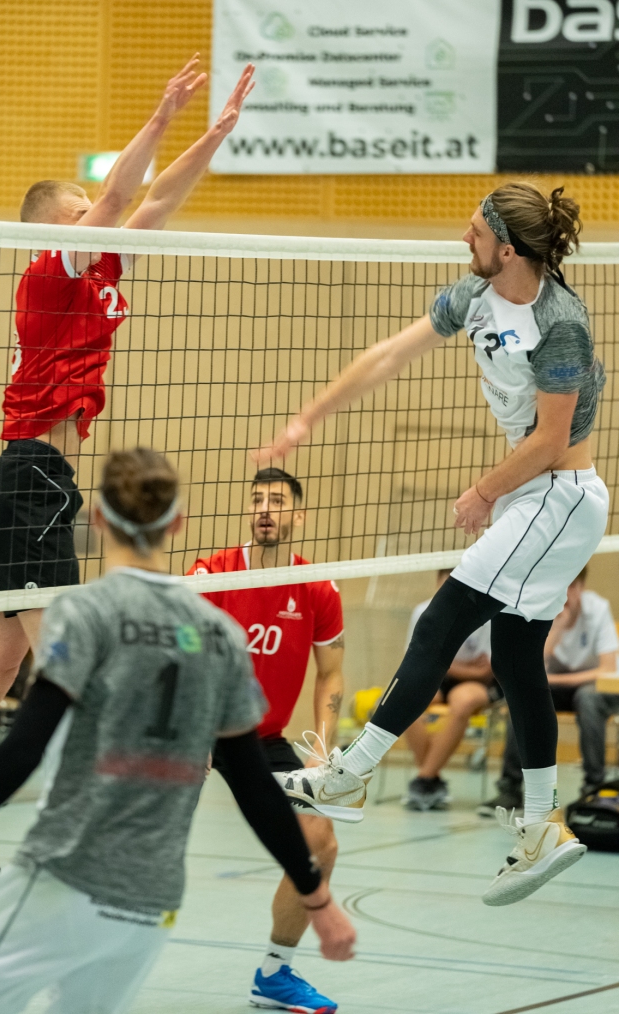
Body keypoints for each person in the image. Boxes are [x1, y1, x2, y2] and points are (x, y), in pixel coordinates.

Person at [0, 450, 356, 1014]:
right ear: (178, 524)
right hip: (148, 905)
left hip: (62, 874)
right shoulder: (221, 635)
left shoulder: (85, 614)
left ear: (100, 520)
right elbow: (257, 790)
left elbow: (24, 748)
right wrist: (318, 898)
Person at [0, 59, 256, 907]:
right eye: (80, 212)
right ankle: (92, 833)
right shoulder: (52, 267)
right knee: (72, 663)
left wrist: (213, 136)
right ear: (52, 228)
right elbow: (118, 199)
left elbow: (156, 202)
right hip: (32, 477)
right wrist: (162, 115)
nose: (97, 218)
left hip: (33, 478)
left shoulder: (102, 268)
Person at [254, 181, 609, 907]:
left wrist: (482, 492)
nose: (463, 237)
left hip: (559, 495)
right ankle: (543, 824)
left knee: (442, 622)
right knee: (516, 658)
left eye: (476, 230)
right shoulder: (474, 296)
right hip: (535, 497)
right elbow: (389, 355)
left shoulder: (560, 323)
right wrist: (308, 417)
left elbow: (551, 439)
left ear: (507, 249)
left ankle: (352, 772)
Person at [189, 466, 345, 1014]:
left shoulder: (318, 587)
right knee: (141, 842)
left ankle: (275, 973)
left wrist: (321, 753)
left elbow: (331, 674)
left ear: (298, 515)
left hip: (261, 736)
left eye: (276, 501)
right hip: (196, 727)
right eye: (257, 499)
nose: (264, 509)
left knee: (319, 841)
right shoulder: (212, 573)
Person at [479, 566, 619, 815]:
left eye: (572, 586)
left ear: (581, 588)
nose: (566, 593)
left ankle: (593, 787)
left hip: (592, 687)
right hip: (553, 685)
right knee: (522, 696)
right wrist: (557, 628)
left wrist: (555, 679)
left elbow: (607, 668)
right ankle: (511, 787)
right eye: (562, 585)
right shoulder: (542, 608)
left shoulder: (597, 609)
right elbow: (531, 662)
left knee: (587, 699)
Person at [403, 569, 500, 811]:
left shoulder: (487, 613)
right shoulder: (423, 611)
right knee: (406, 698)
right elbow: (415, 661)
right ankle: (430, 779)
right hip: (437, 676)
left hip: (479, 683)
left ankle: (425, 778)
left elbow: (485, 671)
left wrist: (442, 662)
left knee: (463, 701)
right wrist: (464, 667)